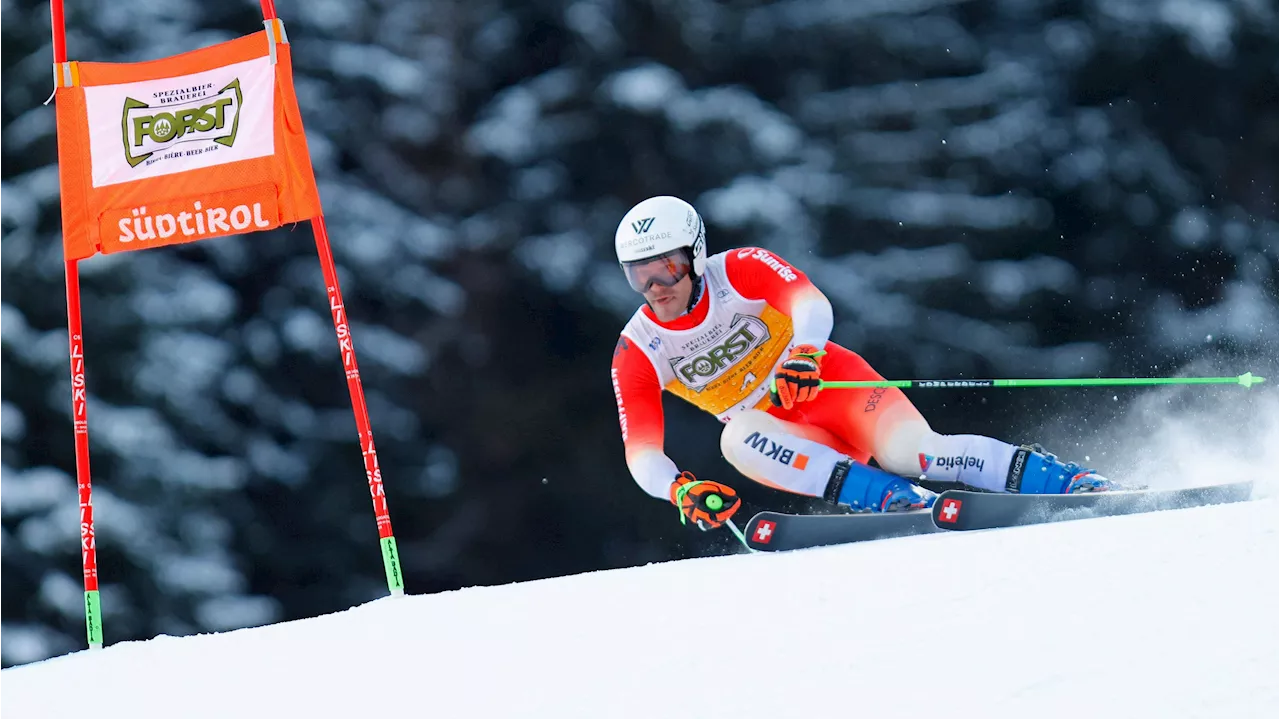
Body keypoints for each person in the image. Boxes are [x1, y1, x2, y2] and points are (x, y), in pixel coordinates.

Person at [609, 195, 1112, 531]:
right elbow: (642, 454)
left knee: (917, 453)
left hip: (832, 387)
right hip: (782, 437)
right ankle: (896, 500)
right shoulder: (638, 349)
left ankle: (1068, 482)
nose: (658, 288)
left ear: (694, 256)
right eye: (640, 277)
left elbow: (811, 304)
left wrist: (804, 354)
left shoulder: (738, 269)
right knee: (737, 437)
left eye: (668, 268)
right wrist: (678, 489)